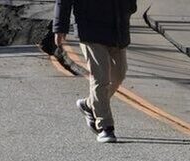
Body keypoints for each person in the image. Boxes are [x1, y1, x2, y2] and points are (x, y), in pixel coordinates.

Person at [53, 0, 137, 143]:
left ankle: (90, 104)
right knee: (101, 76)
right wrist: (60, 26)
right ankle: (105, 126)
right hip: (90, 27)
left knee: (119, 74)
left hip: (117, 27)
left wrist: (128, 9)